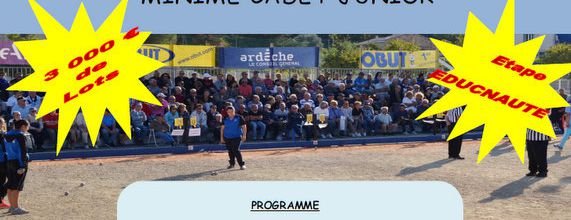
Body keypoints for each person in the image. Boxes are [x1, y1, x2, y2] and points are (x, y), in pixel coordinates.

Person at [4, 120, 30, 215]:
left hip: (9, 161)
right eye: (27, 126)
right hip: (18, 163)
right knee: (16, 187)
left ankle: (12, 206)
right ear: (23, 126)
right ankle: (15, 207)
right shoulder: (21, 136)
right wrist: (22, 165)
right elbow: (22, 151)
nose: (28, 128)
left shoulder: (7, 134)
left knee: (11, 185)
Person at [0, 118, 9, 209]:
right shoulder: (2, 134)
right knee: (3, 180)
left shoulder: (3, 134)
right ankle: (1, 201)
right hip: (2, 160)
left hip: (3, 160)